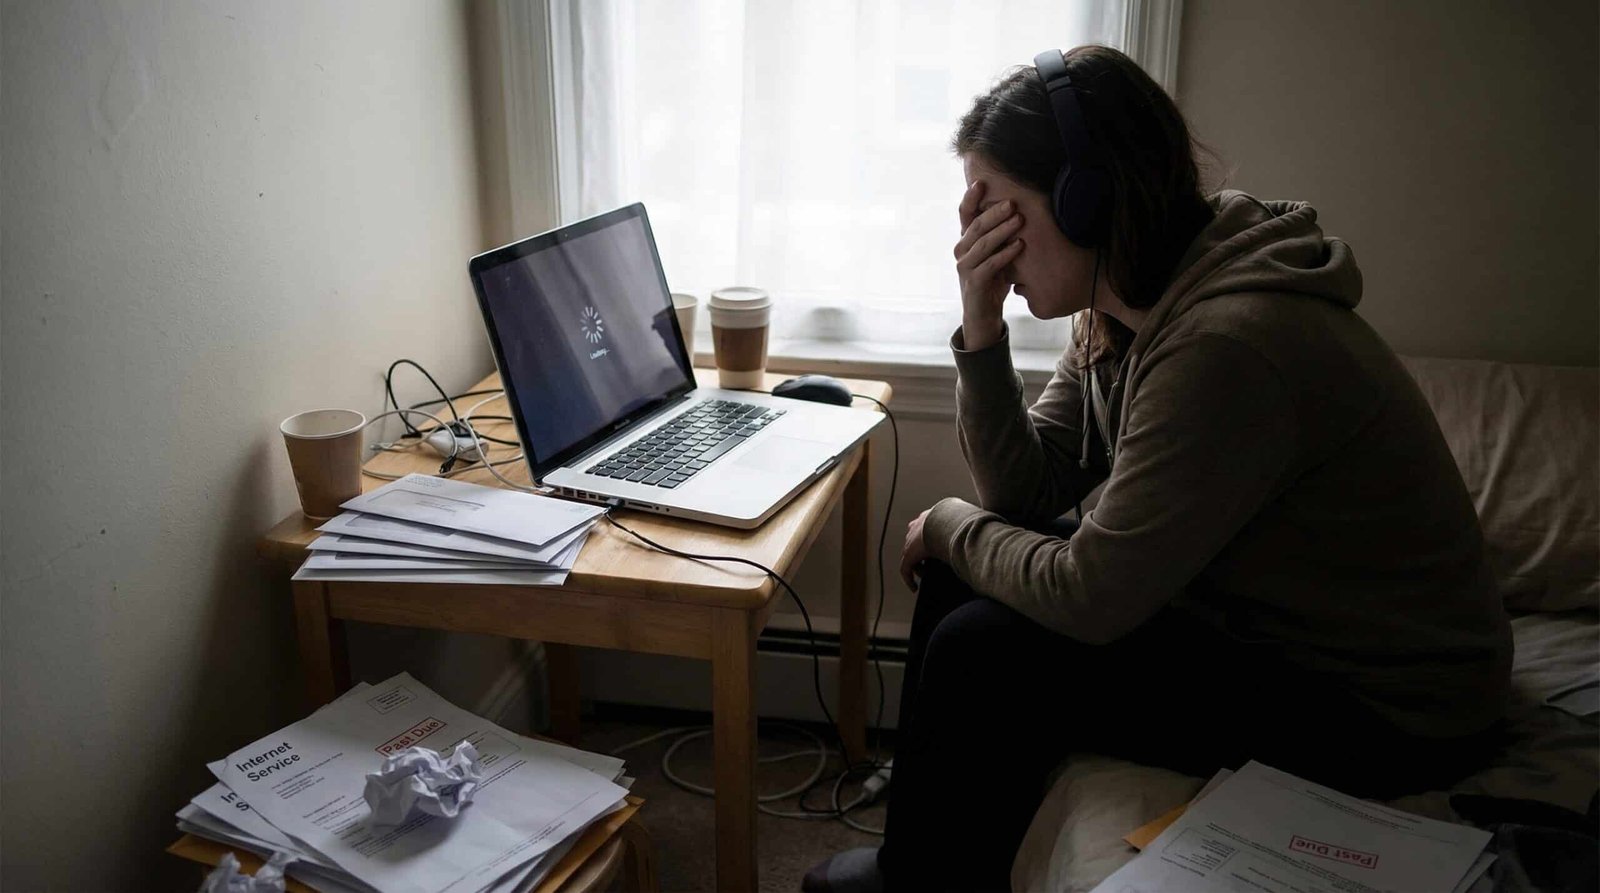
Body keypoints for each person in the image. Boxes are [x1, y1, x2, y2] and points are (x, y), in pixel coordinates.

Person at [802, 45, 1512, 893]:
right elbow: (1027, 495)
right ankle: (930, 866)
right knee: (967, 584)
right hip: (1265, 629)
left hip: (1387, 707)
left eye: (1000, 213)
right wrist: (981, 325)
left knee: (984, 650)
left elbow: (1090, 594)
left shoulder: (1230, 344)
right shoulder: (1124, 300)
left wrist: (953, 525)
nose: (979, 242)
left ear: (1086, 198)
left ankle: (922, 880)